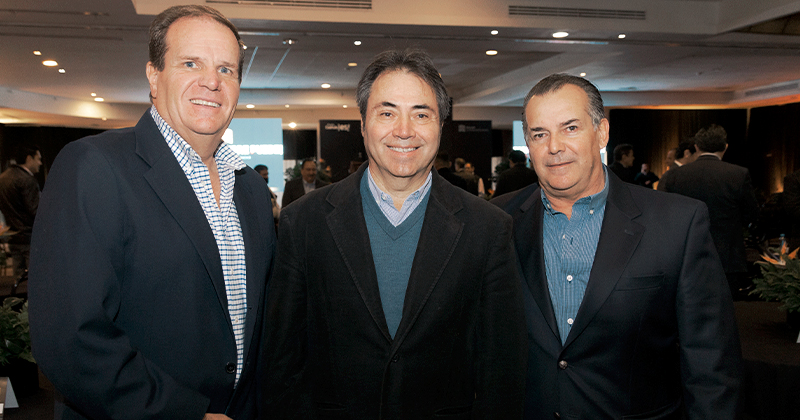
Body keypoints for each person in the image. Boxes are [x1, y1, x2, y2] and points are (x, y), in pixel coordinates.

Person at [28, 6, 276, 420]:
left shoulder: (249, 187)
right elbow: (70, 339)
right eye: (190, 63)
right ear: (154, 76)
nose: (212, 81)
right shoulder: (94, 166)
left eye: (226, 69)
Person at [262, 48, 526, 420]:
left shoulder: (488, 227)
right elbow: (281, 365)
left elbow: (502, 371)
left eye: (421, 114)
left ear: (440, 126)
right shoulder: (304, 222)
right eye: (387, 113)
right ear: (363, 124)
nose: (404, 130)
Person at [492, 73, 742, 420]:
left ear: (602, 133)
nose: (554, 146)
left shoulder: (677, 224)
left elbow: (710, 362)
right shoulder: (496, 221)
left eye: (570, 128)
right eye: (539, 134)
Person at [659, 124, 759, 295]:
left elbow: (664, 212)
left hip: (685, 253)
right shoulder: (738, 174)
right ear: (725, 147)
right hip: (727, 255)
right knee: (726, 305)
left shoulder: (674, 175)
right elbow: (752, 213)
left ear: (697, 147)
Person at [0, 144, 42, 277]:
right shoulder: (27, 180)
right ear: (29, 158)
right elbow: (35, 210)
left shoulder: (3, 178)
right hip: (29, 237)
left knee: (19, 279)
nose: (40, 163)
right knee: (36, 278)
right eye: (38, 159)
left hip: (13, 236)